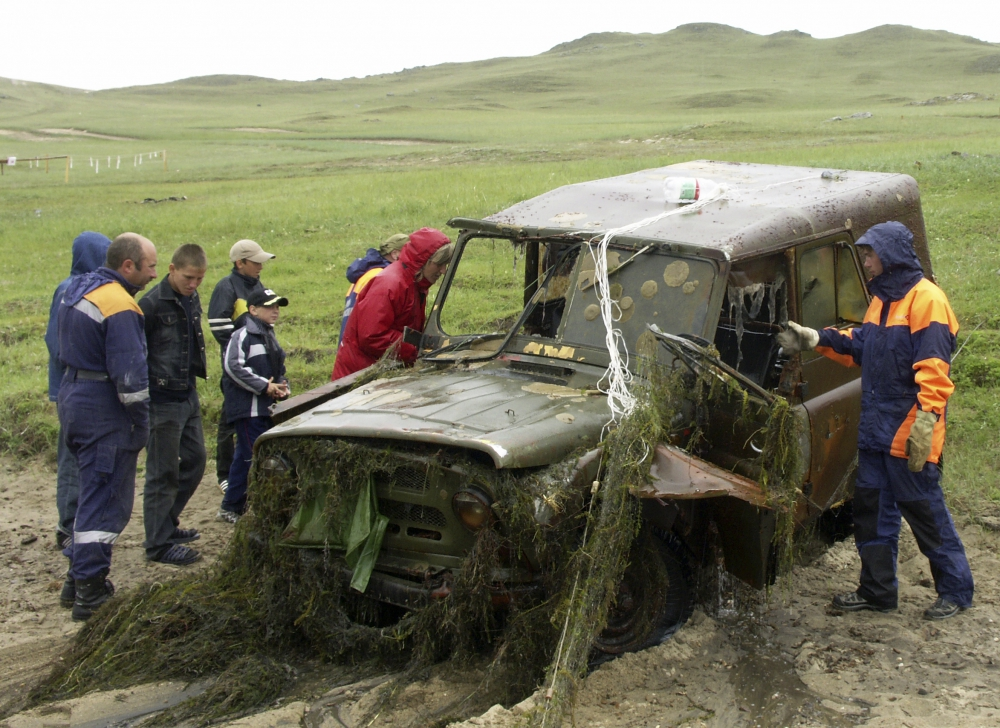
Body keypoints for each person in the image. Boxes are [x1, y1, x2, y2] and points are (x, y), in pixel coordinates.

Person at [777, 221, 974, 621]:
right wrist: (816, 339)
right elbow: (862, 346)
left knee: (925, 512)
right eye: (864, 255)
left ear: (890, 255)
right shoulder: (882, 301)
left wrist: (925, 424)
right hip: (874, 430)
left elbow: (935, 370)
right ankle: (877, 591)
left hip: (908, 431)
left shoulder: (927, 300)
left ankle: (956, 590)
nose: (865, 263)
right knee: (871, 514)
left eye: (869, 255)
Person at [57, 232, 157, 621]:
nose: (154, 274)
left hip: (73, 397)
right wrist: (141, 424)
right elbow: (131, 380)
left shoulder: (78, 289)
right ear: (127, 265)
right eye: (150, 266)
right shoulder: (120, 304)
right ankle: (90, 591)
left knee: (89, 494)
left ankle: (76, 580)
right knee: (106, 503)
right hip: (104, 410)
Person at [138, 244, 209, 566]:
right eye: (188, 278)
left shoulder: (191, 297)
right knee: (162, 472)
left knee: (196, 460)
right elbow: (138, 352)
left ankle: (166, 524)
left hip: (188, 392)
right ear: (171, 269)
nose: (193, 284)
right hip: (162, 398)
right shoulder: (151, 304)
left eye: (199, 279)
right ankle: (157, 544)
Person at [45, 232, 112, 561]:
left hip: (82, 388)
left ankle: (82, 522)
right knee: (72, 458)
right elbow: (57, 342)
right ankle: (67, 525)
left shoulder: (91, 288)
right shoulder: (69, 289)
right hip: (72, 388)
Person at [332, 228, 452, 380]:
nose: (443, 271)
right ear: (423, 260)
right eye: (439, 264)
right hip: (358, 378)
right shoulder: (390, 285)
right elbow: (372, 336)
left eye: (445, 264)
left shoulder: (415, 283)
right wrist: (416, 350)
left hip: (379, 372)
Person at [217, 288, 290, 523]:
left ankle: (233, 506)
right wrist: (264, 386)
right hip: (248, 409)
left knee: (245, 457)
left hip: (265, 408)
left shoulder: (269, 335)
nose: (275, 311)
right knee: (255, 457)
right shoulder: (242, 335)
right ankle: (248, 507)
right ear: (253, 310)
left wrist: (282, 387)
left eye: (277, 307)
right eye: (269, 307)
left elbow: (278, 369)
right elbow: (233, 367)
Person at [207, 240, 274, 493]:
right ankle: (224, 474)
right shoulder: (225, 286)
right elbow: (218, 326)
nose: (260, 266)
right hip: (236, 365)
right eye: (256, 262)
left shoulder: (257, 285)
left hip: (260, 364)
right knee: (230, 418)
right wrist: (243, 346)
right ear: (240, 263)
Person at [338, 233, 408, 343]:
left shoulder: (366, 273)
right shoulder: (382, 277)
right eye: (408, 254)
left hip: (348, 343)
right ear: (394, 254)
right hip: (360, 345)